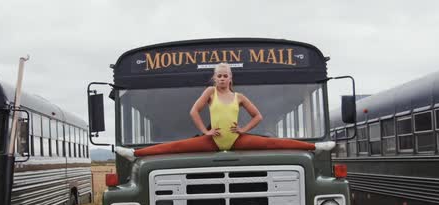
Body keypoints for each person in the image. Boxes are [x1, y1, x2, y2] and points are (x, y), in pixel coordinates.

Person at [116, 63, 334, 160]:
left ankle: (316, 147)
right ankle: (134, 154)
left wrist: (243, 129)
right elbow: (194, 111)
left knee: (274, 143)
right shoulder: (210, 92)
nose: (221, 78)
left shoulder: (239, 97)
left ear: (231, 78)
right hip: (213, 140)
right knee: (176, 147)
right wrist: (205, 132)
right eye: (218, 75)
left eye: (225, 75)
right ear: (215, 77)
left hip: (236, 139)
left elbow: (258, 116)